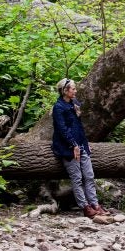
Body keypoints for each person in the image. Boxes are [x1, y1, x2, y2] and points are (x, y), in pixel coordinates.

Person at [51, 78, 110, 218]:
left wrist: (83, 142)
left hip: (81, 145)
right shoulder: (58, 107)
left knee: (89, 176)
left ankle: (95, 204)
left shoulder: (74, 103)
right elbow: (62, 129)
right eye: (73, 89)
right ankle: (85, 207)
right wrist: (74, 145)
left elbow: (78, 127)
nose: (76, 91)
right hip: (67, 148)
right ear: (65, 91)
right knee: (77, 178)